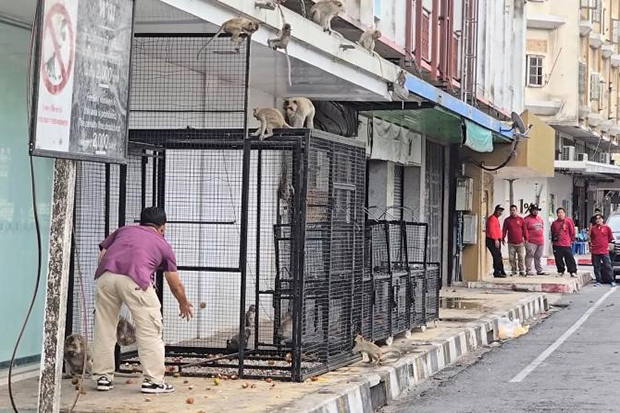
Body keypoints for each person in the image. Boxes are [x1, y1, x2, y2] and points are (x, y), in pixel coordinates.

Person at [92, 207, 193, 394]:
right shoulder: (163, 244)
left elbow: (103, 255)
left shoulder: (123, 230)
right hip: (135, 280)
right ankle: (154, 381)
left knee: (104, 327)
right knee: (149, 329)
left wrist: (109, 279)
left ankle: (102, 377)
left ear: (141, 222)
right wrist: (183, 303)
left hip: (105, 277)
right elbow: (175, 284)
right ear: (163, 227)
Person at [589, 214, 616, 287]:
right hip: (595, 250)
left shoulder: (607, 228)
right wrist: (591, 247)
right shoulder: (593, 229)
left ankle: (611, 280)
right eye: (596, 219)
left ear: (603, 220)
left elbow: (611, 238)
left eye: (599, 218)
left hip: (604, 250)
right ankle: (598, 281)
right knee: (596, 266)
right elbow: (591, 238)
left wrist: (610, 246)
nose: (598, 220)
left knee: (608, 266)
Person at [550, 207, 577, 277]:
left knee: (569, 258)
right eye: (559, 213)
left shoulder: (568, 221)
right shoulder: (554, 223)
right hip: (557, 244)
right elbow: (553, 232)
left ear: (564, 213)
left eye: (562, 212)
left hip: (566, 244)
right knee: (558, 259)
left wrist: (571, 240)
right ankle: (560, 271)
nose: (560, 214)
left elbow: (572, 231)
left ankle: (572, 271)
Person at [502, 205, 528, 276]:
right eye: (511, 210)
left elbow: (525, 229)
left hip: (520, 243)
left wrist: (526, 238)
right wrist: (502, 238)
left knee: (521, 257)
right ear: (510, 211)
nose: (513, 211)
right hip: (511, 243)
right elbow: (504, 230)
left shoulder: (521, 219)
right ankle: (514, 270)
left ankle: (522, 270)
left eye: (514, 210)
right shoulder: (507, 220)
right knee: (511, 258)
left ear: (517, 211)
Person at [524, 204, 546, 275]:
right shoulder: (526, 219)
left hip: (540, 241)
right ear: (530, 211)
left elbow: (542, 228)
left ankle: (539, 270)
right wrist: (526, 239)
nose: (536, 212)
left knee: (538, 256)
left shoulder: (540, 219)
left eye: (537, 210)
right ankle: (528, 270)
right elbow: (524, 230)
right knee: (530, 255)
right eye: (534, 210)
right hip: (531, 241)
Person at [486, 204, 507, 278]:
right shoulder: (492, 218)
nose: (500, 213)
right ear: (495, 210)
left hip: (496, 239)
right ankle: (500, 271)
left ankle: (497, 271)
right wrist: (495, 239)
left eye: (501, 211)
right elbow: (491, 230)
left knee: (497, 256)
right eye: (499, 211)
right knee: (497, 256)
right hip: (492, 240)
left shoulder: (495, 219)